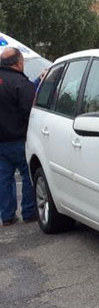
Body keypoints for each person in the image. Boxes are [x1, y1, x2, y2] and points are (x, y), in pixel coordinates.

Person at [0, 48, 37, 226]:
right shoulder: (21, 83)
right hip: (19, 139)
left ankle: (7, 216)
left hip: (1, 142)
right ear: (18, 62)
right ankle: (29, 212)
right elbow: (30, 111)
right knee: (27, 174)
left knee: (4, 178)